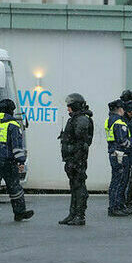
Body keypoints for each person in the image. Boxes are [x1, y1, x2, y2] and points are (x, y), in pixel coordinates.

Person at [0, 99, 34, 223]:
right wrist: (21, 161)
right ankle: (19, 213)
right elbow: (17, 146)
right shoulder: (13, 125)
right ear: (11, 111)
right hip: (7, 160)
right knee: (14, 187)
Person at [58, 93, 94, 226]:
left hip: (77, 160)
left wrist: (76, 160)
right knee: (74, 186)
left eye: (69, 106)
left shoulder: (82, 120)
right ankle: (72, 214)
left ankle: (79, 215)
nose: (68, 108)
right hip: (72, 159)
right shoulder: (75, 119)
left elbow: (82, 143)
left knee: (79, 187)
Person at [105, 100, 130, 217]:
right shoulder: (119, 122)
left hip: (114, 153)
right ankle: (115, 207)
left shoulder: (109, 121)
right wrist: (130, 144)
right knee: (119, 181)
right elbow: (122, 140)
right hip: (120, 154)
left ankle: (115, 206)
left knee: (115, 180)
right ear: (120, 109)